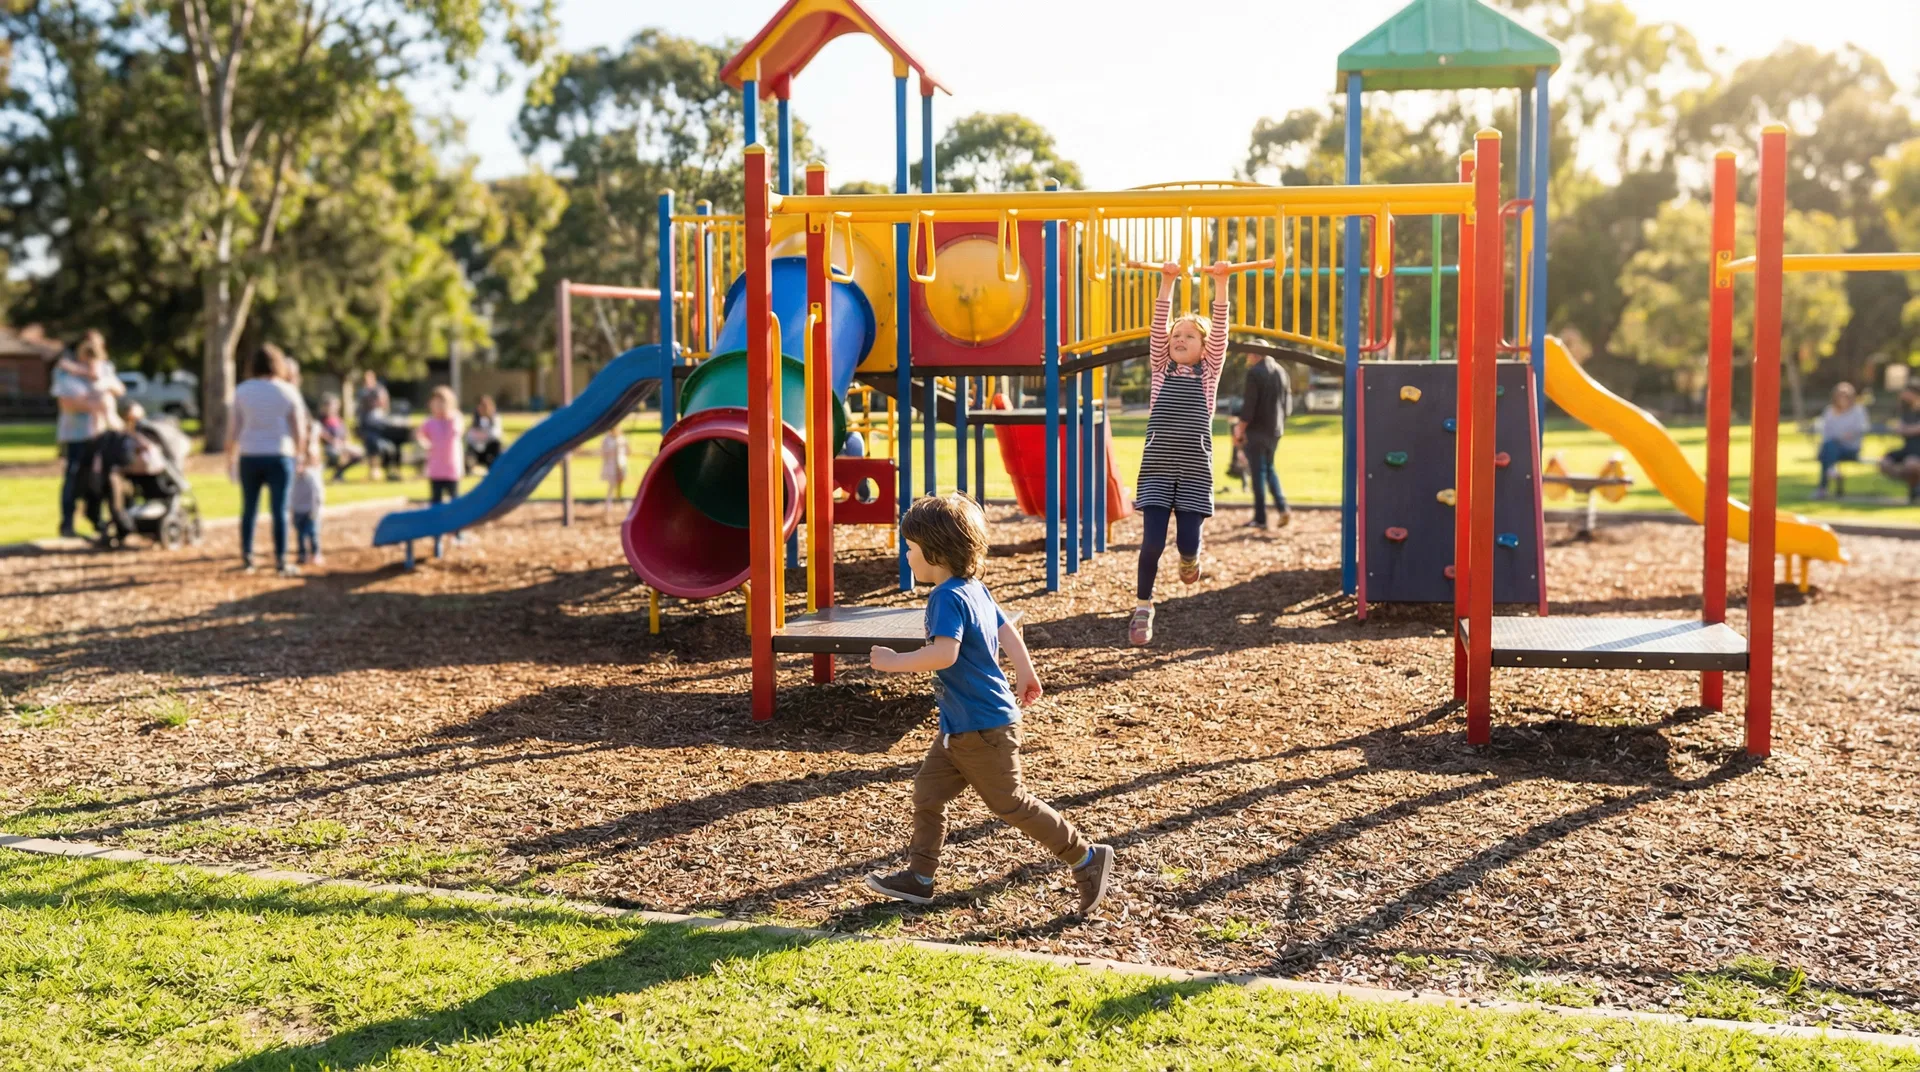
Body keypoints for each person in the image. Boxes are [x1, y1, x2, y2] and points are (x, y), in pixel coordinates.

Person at [863, 493, 1114, 916]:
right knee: (928, 793)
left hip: (981, 728)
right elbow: (1006, 630)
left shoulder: (945, 597)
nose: (906, 555)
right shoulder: (974, 588)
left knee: (1010, 803)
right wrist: (1026, 672)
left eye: (911, 548)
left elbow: (944, 654)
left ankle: (1085, 857)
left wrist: (893, 662)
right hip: (960, 727)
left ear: (936, 552)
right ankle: (920, 878)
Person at [1129, 259, 1232, 646]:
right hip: (1156, 469)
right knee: (1152, 544)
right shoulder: (1161, 371)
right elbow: (1158, 326)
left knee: (1187, 541)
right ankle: (1143, 607)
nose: (1179, 339)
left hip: (1193, 473)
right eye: (1176, 335)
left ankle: (1190, 558)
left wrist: (1220, 284)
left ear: (1205, 349)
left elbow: (1220, 332)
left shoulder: (1208, 376)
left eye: (1189, 336)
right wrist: (1167, 282)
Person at [226, 344, 309, 576]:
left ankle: (247, 557)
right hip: (280, 456)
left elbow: (233, 429)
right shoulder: (287, 391)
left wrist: (230, 457)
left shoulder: (242, 391)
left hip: (249, 455)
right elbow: (299, 430)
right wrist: (300, 455)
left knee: (249, 508)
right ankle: (281, 560)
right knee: (279, 510)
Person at [51, 332, 122, 538]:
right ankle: (67, 524)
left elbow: (118, 388)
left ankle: (97, 520)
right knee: (74, 478)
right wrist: (96, 404)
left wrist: (101, 382)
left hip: (101, 433)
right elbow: (66, 402)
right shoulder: (65, 371)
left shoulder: (104, 369)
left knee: (99, 478)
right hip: (76, 434)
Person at [1235, 349, 1293, 528]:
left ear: (1256, 354)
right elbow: (1288, 405)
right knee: (1269, 468)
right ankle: (1282, 507)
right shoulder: (1281, 371)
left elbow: (1249, 405)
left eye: (1249, 354)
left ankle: (1260, 518)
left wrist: (1240, 428)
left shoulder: (1255, 373)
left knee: (1258, 473)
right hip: (1275, 430)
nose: (1247, 357)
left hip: (1257, 430)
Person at [417, 385, 466, 538]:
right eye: (435, 403)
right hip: (436, 469)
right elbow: (420, 435)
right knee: (435, 501)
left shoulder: (454, 420)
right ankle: (436, 530)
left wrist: (451, 414)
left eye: (442, 403)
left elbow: (458, 430)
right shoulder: (430, 422)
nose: (438, 407)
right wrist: (425, 443)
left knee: (455, 501)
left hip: (452, 469)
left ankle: (457, 531)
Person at [1812, 382, 1870, 499]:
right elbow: (1824, 430)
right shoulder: (1830, 411)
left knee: (1826, 451)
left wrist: (1849, 435)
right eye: (1840, 395)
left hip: (1850, 448)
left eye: (1846, 396)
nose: (1843, 398)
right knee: (1829, 447)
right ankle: (1831, 470)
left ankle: (1823, 487)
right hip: (1832, 446)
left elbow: (1862, 428)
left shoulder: (1858, 410)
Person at [1880, 381, 1920, 505]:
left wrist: (1906, 430)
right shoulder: (1906, 410)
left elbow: (1913, 429)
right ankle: (1914, 486)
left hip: (1917, 450)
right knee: (1884, 462)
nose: (1903, 395)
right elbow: (1898, 428)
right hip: (1908, 449)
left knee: (1911, 464)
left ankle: (1915, 488)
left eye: (1906, 392)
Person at [354, 370, 396, 480]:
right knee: (369, 447)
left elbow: (384, 403)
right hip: (366, 425)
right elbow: (359, 408)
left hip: (378, 424)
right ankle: (372, 471)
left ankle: (380, 469)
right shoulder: (362, 392)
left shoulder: (379, 390)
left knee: (379, 447)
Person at [291, 438, 325, 567]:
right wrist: (292, 509)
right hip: (298, 510)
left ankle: (316, 553)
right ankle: (302, 555)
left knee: (313, 533)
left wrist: (315, 509)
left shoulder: (311, 477)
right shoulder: (293, 479)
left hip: (310, 510)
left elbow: (316, 495)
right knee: (300, 535)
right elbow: (290, 496)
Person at [315, 396, 365, 480]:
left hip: (342, 445)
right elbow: (322, 434)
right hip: (329, 446)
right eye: (331, 406)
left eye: (335, 406)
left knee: (360, 453)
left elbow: (345, 434)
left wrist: (346, 444)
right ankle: (319, 471)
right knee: (334, 455)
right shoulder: (321, 420)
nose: (333, 408)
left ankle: (339, 473)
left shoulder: (339, 419)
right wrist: (333, 441)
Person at [465, 395, 504, 471]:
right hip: (476, 448)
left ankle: (495, 467)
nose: (484, 409)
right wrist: (484, 434)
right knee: (469, 451)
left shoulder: (495, 418)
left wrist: (480, 434)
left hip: (489, 449)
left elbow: (495, 434)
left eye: (486, 406)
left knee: (496, 444)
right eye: (482, 406)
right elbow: (469, 436)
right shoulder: (475, 420)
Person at [600, 426, 630, 516]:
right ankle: (608, 504)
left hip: (621, 463)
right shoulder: (607, 440)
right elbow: (604, 453)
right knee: (612, 485)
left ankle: (620, 499)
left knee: (620, 482)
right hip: (611, 465)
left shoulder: (622, 438)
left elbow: (628, 451)